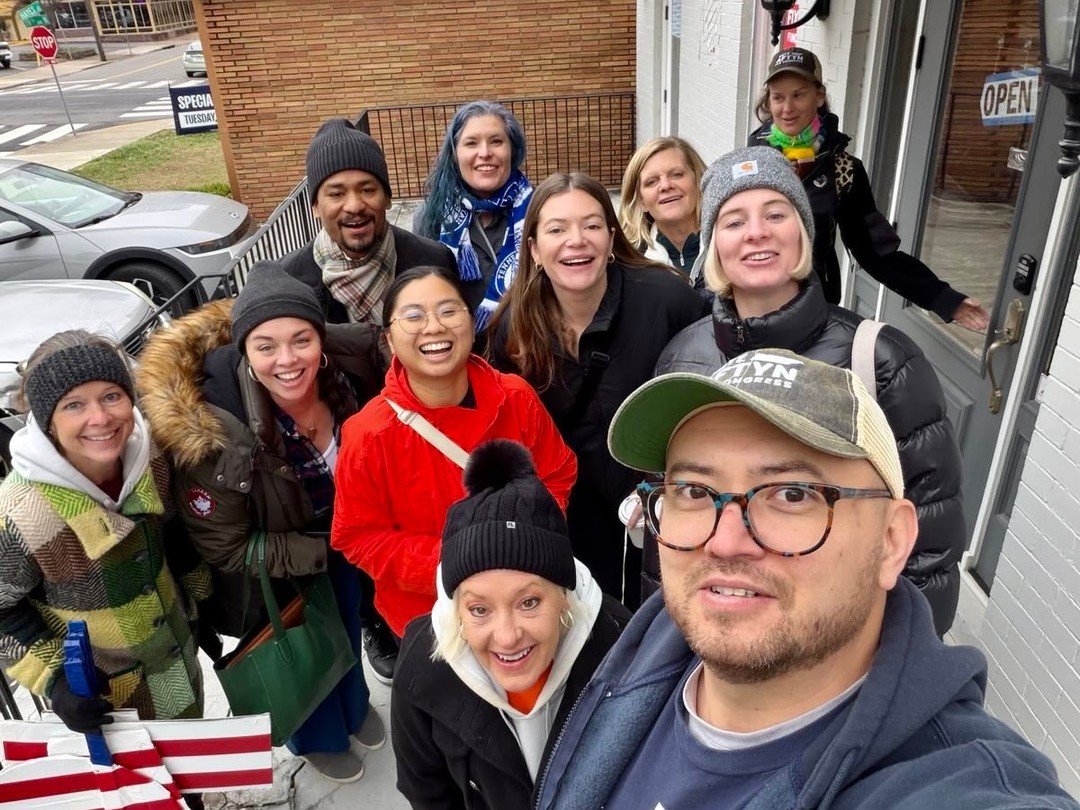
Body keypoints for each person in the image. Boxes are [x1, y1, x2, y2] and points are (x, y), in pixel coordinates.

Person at [535, 350, 1079, 810]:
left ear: (892, 540)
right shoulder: (653, 640)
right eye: (695, 491)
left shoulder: (956, 784)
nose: (724, 542)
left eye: (793, 494)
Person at [654, 145, 965, 637]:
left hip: (834, 644)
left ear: (803, 232)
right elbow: (678, 516)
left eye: (776, 214)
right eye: (733, 221)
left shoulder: (880, 361)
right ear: (713, 245)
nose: (756, 232)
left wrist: (899, 656)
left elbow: (929, 537)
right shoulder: (682, 359)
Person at [136, 263, 384, 783]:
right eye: (266, 346)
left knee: (345, 628)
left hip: (341, 544)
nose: (288, 360)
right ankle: (316, 735)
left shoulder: (345, 378)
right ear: (244, 352)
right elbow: (225, 547)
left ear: (321, 339)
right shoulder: (217, 436)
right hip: (275, 569)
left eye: (301, 340)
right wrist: (327, 550)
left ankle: (354, 706)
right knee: (302, 651)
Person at [487, 172, 708, 608]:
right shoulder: (513, 326)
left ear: (611, 238)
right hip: (567, 517)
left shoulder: (668, 300)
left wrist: (675, 482)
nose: (577, 240)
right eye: (557, 229)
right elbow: (506, 428)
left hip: (661, 511)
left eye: (591, 225)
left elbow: (706, 400)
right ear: (533, 248)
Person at [281, 116, 450, 680]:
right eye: (336, 192)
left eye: (367, 188)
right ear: (315, 203)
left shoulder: (428, 258)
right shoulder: (293, 281)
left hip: (422, 430)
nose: (354, 205)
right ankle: (379, 625)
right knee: (362, 536)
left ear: (385, 194)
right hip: (340, 439)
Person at [331, 265, 577, 641]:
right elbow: (357, 536)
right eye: (413, 316)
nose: (434, 327)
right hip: (430, 618)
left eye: (449, 311)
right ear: (390, 340)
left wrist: (528, 535)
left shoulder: (514, 397)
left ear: (471, 321)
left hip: (525, 599)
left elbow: (558, 472)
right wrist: (453, 560)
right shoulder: (368, 434)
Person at [392, 439, 630, 809]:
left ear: (564, 597)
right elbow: (426, 791)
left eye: (529, 602)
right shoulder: (420, 669)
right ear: (456, 610)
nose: (506, 637)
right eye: (479, 610)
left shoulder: (622, 648)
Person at [0, 331, 210, 731]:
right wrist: (55, 680)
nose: (100, 418)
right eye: (74, 405)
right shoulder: (20, 512)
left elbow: (174, 537)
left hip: (177, 658)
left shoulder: (150, 458)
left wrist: (203, 603)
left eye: (111, 396)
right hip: (105, 702)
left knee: (188, 765)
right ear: (47, 421)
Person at [743, 47, 989, 331]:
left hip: (812, 309)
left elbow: (877, 253)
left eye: (798, 95)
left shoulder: (843, 170)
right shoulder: (751, 162)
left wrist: (943, 299)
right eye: (778, 97)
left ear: (819, 96)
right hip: (752, 306)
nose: (787, 108)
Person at [414, 100, 534, 328]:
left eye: (496, 141)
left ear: (513, 150)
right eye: (471, 143)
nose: (485, 153)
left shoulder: (539, 208)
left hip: (528, 344)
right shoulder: (431, 216)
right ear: (454, 154)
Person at [618, 136, 707, 275]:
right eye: (651, 182)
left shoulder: (730, 243)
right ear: (641, 201)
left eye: (677, 174)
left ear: (698, 180)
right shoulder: (628, 264)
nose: (665, 186)